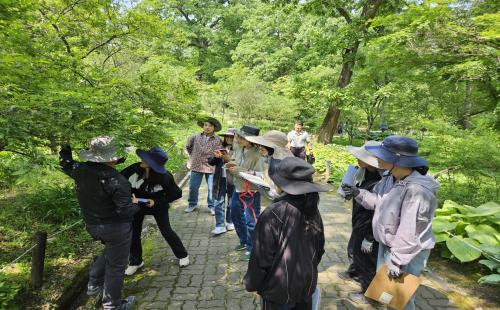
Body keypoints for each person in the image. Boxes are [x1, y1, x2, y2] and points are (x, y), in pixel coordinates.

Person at [343, 136, 438, 310]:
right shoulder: (390, 176)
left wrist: (397, 260)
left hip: (407, 251)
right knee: (388, 295)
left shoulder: (417, 191)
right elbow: (379, 201)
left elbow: (411, 231)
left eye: (383, 155)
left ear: (397, 159)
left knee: (401, 300)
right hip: (388, 244)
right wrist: (358, 193)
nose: (378, 158)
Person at [59, 137, 138, 310]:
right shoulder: (118, 180)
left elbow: (65, 163)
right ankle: (113, 305)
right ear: (113, 158)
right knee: (116, 266)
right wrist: (135, 204)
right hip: (116, 229)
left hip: (92, 225)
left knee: (111, 252)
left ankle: (94, 282)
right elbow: (125, 213)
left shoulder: (79, 170)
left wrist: (65, 142)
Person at [244, 157, 328, 310]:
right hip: (306, 285)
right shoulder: (312, 209)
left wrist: (251, 283)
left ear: (281, 185)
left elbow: (261, 257)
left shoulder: (274, 212)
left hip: (278, 291)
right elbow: (319, 249)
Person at [121, 147, 189, 275]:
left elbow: (176, 194)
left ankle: (182, 255)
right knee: (134, 233)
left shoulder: (164, 176)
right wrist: (127, 196)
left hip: (158, 206)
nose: (142, 160)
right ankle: (136, 261)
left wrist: (156, 202)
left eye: (146, 160)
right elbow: (118, 181)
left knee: (166, 231)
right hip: (137, 206)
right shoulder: (133, 169)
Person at [337, 141, 383, 305]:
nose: (357, 160)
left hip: (370, 224)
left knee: (368, 260)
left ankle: (371, 295)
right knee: (356, 251)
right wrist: (350, 193)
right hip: (359, 220)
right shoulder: (364, 173)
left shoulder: (382, 181)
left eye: (361, 157)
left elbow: (380, 210)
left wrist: (371, 236)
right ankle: (357, 274)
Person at [227, 125, 265, 261]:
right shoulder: (240, 149)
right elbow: (237, 163)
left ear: (251, 140)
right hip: (238, 188)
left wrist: (237, 170)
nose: (238, 139)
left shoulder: (258, 154)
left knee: (251, 221)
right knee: (234, 214)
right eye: (238, 136)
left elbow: (260, 175)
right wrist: (229, 162)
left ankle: (253, 248)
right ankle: (244, 241)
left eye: (242, 137)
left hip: (251, 191)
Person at [185, 117, 223, 214]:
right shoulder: (195, 136)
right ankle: (192, 204)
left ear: (214, 128)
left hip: (210, 167)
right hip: (196, 166)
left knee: (212, 188)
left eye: (210, 126)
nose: (207, 127)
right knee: (193, 187)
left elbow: (220, 153)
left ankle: (212, 206)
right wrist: (194, 156)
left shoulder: (218, 139)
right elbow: (188, 147)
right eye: (205, 125)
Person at [208, 128, 236, 235]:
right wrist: (216, 157)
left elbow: (240, 165)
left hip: (232, 180)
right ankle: (219, 225)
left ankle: (230, 221)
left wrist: (228, 158)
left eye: (231, 137)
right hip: (220, 180)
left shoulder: (239, 150)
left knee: (231, 202)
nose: (229, 138)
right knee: (218, 202)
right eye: (227, 136)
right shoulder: (220, 148)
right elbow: (210, 162)